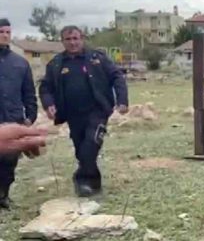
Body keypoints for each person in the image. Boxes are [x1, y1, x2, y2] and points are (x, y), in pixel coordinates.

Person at [38, 25, 129, 197]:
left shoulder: (97, 58)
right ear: (62, 41)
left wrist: (122, 101)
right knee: (81, 150)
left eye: (76, 38)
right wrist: (48, 103)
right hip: (72, 114)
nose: (73, 43)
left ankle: (81, 179)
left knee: (91, 143)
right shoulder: (56, 63)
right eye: (68, 39)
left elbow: (117, 76)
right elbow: (45, 87)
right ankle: (92, 184)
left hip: (97, 111)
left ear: (82, 38)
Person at [0, 18, 38, 208]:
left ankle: (3, 195)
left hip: (13, 119)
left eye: (7, 32)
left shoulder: (20, 63)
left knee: (9, 161)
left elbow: (29, 93)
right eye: (1, 32)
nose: (5, 35)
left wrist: (30, 116)